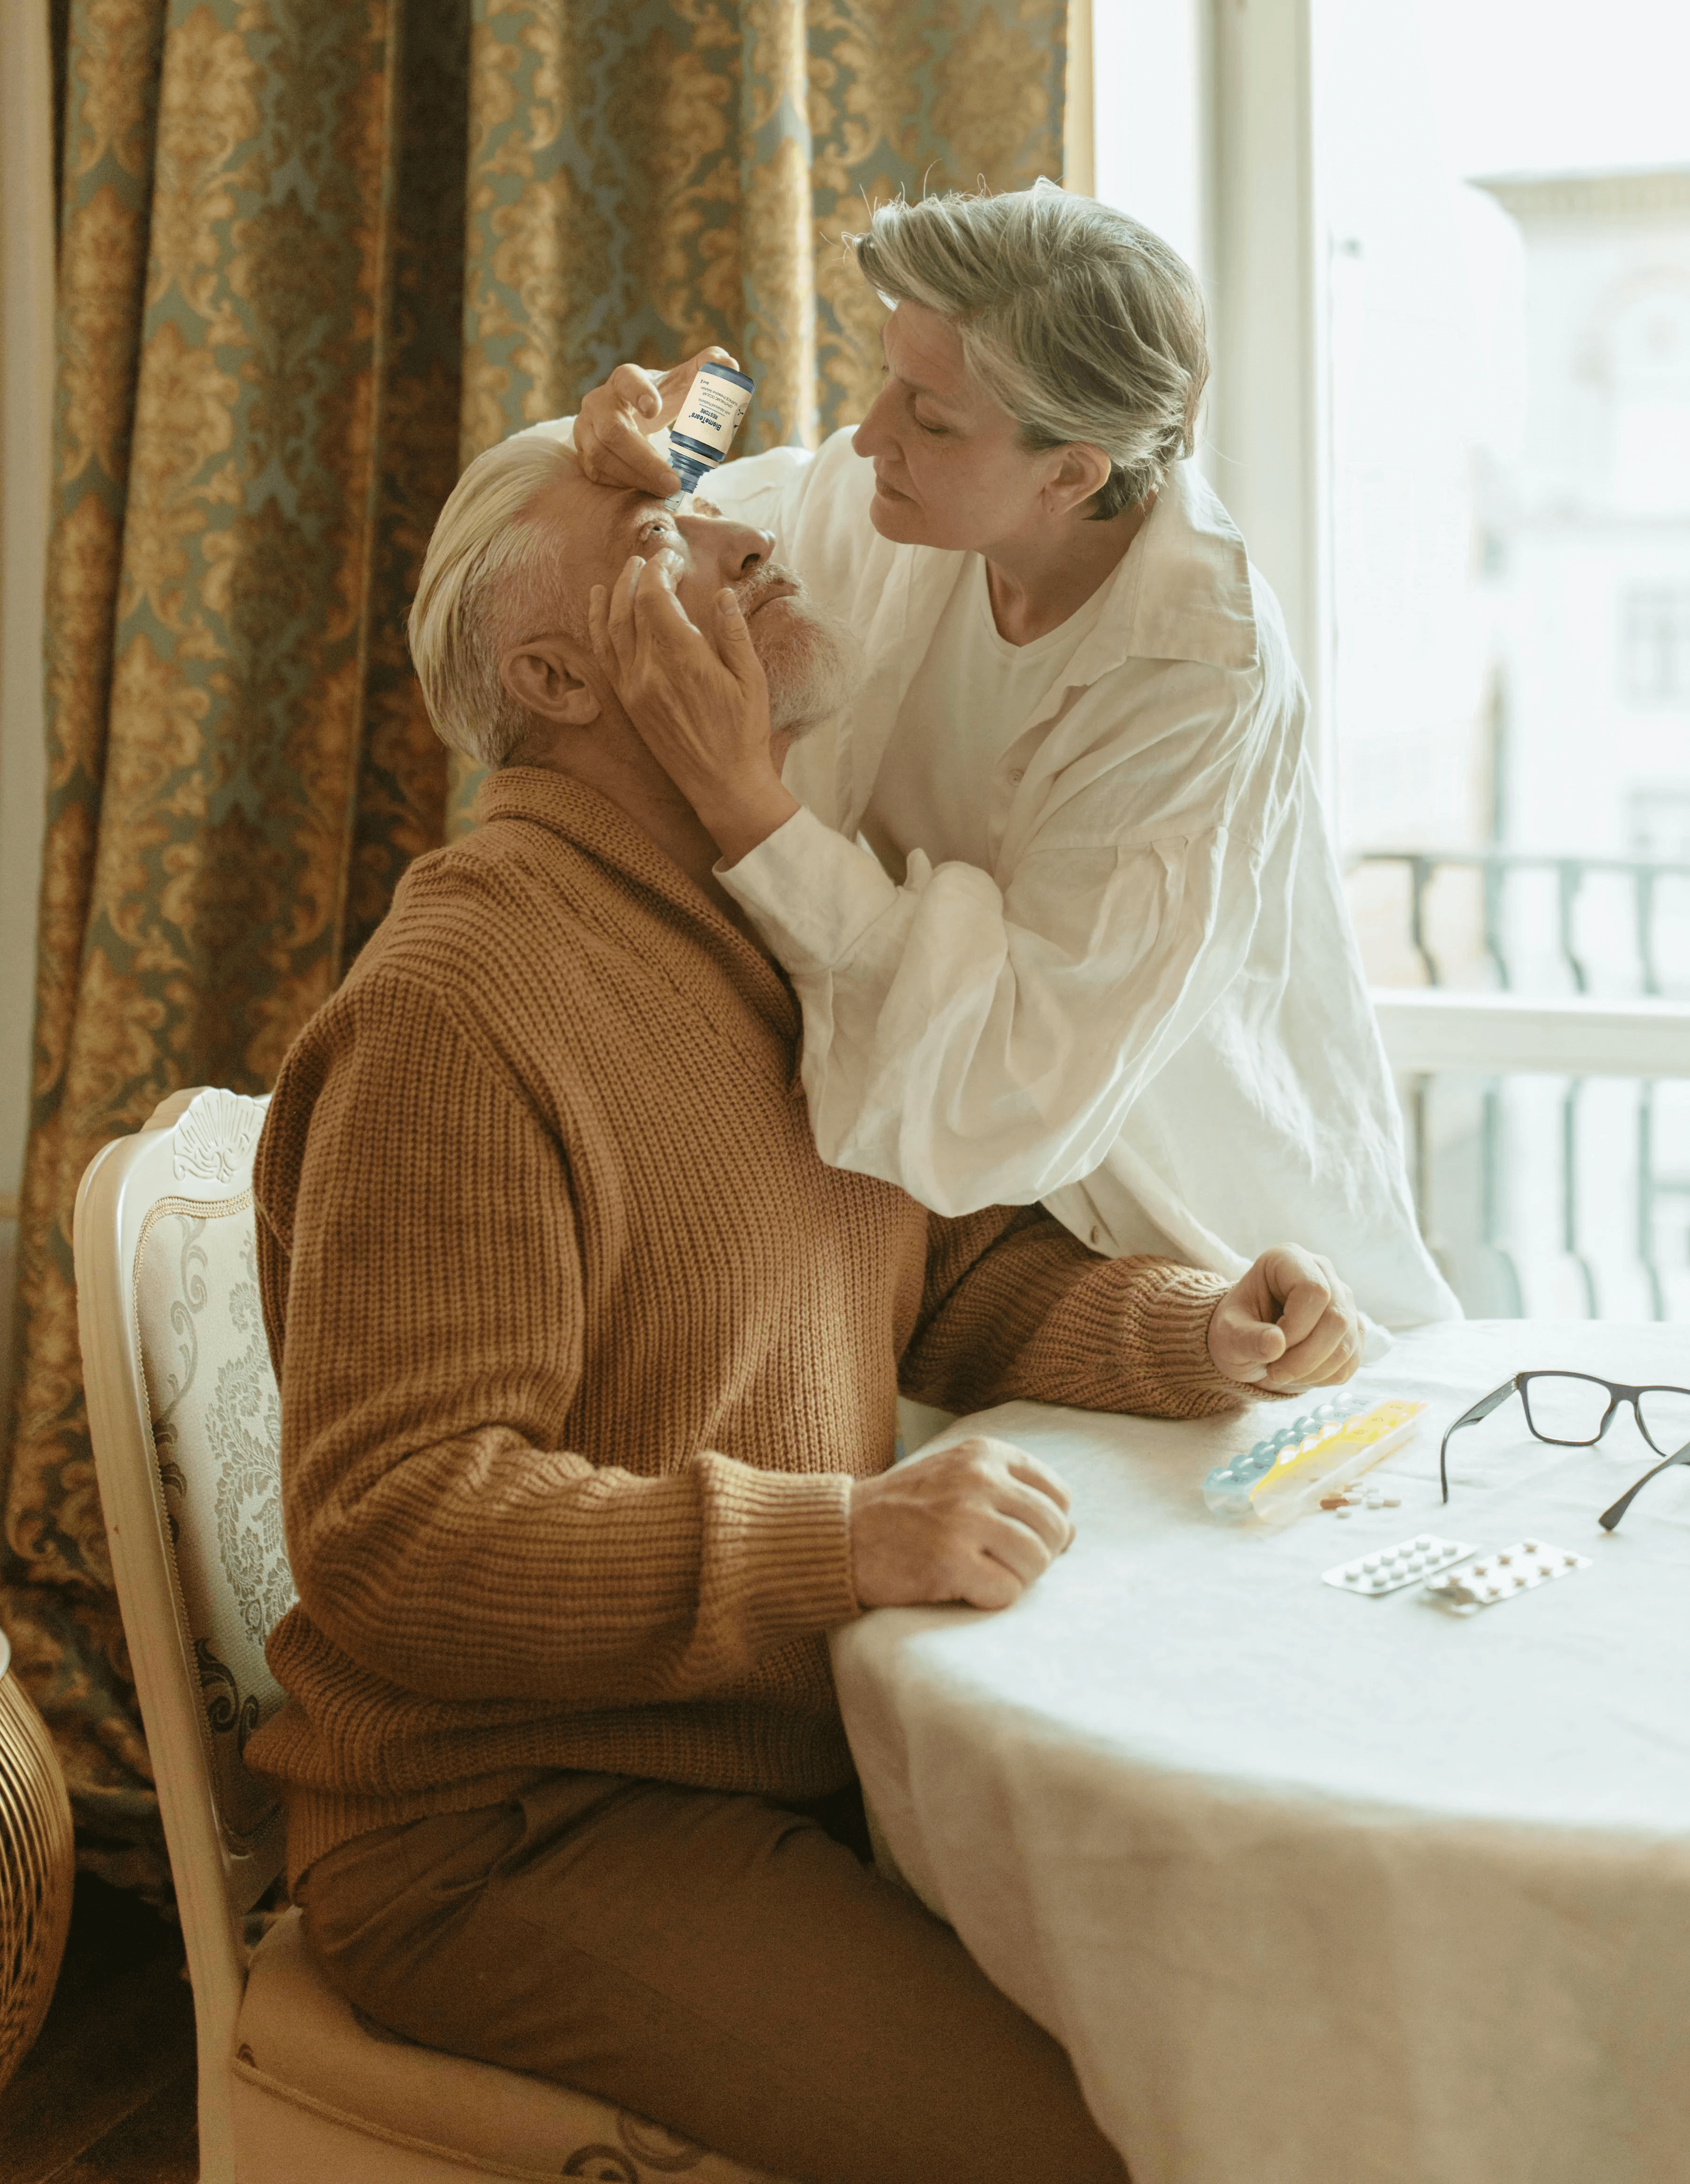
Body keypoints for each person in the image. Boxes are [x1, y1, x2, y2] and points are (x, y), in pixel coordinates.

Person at [249, 425, 1365, 2184]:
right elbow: (395, 1532)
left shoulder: (767, 926)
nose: (747, 538)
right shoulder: (461, 1002)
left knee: (1255, 2022)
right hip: (518, 1830)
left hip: (794, 1759)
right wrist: (844, 1540)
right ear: (551, 674)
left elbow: (939, 1270)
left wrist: (1192, 1330)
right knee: (1088, 2150)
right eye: (659, 535)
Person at [566, 181, 1460, 1337]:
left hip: (1194, 1250)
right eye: (890, 377)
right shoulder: (895, 504)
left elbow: (1007, 1083)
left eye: (930, 419)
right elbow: (684, 527)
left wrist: (751, 809)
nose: (873, 433)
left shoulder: (1193, 680)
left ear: (1071, 475)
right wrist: (632, 434)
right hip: (936, 1247)